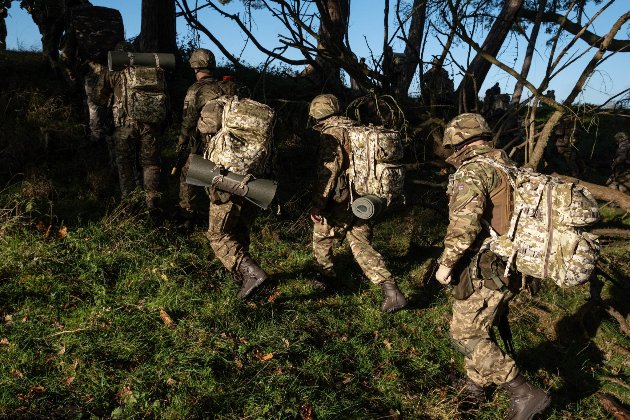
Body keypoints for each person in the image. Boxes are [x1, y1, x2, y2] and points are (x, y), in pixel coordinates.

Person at [435, 113, 551, 419]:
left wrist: (445, 264)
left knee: (465, 335)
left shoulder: (472, 172)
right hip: (514, 263)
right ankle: (475, 384)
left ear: (458, 142)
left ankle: (523, 392)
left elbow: (464, 226)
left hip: (486, 267)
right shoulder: (508, 166)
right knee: (481, 324)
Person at [177, 48, 266, 300]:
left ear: (194, 67)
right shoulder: (237, 87)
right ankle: (241, 274)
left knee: (217, 231)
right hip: (250, 164)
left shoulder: (196, 91)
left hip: (220, 162)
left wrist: (183, 147)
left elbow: (188, 126)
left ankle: (250, 273)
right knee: (239, 223)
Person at [308, 94, 407, 313]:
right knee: (359, 241)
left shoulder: (331, 133)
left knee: (322, 236)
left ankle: (326, 278)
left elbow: (330, 172)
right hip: (366, 198)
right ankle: (391, 290)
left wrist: (319, 203)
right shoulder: (356, 127)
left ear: (317, 112)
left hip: (344, 200)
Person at [175, 48, 246, 229]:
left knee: (187, 172)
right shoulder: (229, 86)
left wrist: (182, 142)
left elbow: (189, 121)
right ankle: (230, 216)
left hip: (207, 144)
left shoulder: (196, 90)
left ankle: (187, 214)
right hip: (232, 144)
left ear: (195, 67)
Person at [101, 41, 166, 211]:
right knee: (151, 164)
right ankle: (152, 204)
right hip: (150, 124)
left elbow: (99, 96)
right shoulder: (154, 71)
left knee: (125, 163)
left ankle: (129, 204)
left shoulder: (113, 73)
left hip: (125, 125)